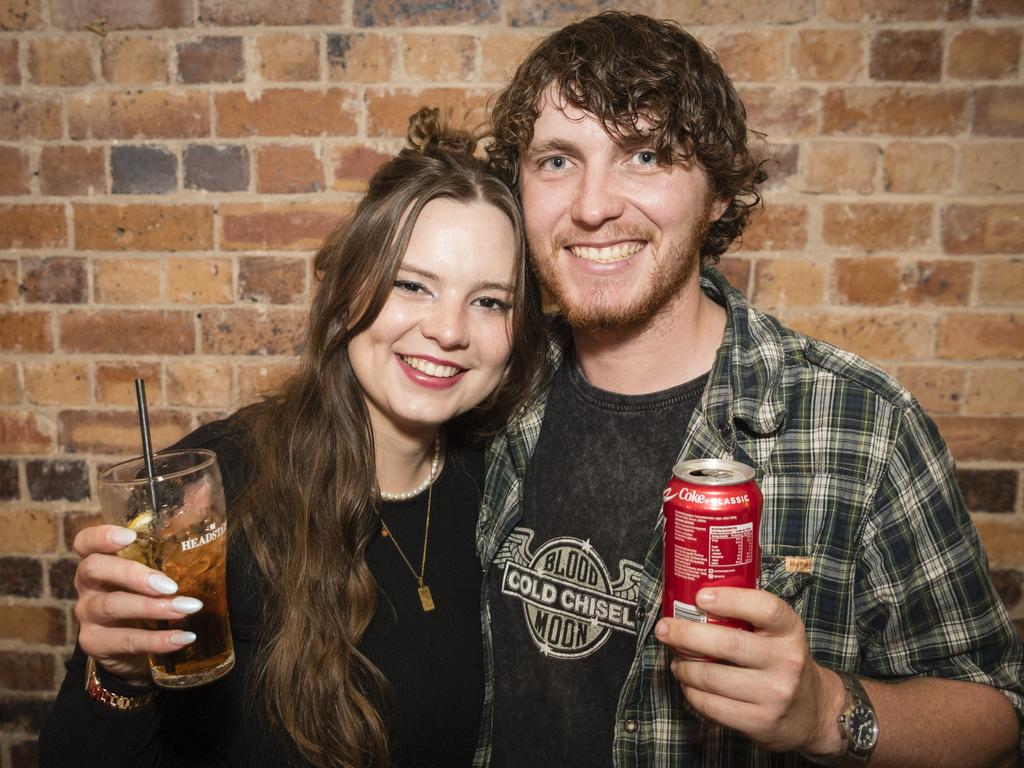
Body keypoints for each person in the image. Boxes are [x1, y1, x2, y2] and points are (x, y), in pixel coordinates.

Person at [476, 11, 1024, 768]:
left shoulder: (860, 424)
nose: (593, 205)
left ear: (718, 196)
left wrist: (825, 710)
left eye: (644, 156)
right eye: (558, 161)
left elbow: (998, 710)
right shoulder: (488, 389)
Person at [38, 108, 547, 768]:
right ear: (348, 290)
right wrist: (121, 679)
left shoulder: (501, 485)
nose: (449, 330)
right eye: (413, 285)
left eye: (489, 301)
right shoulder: (213, 491)